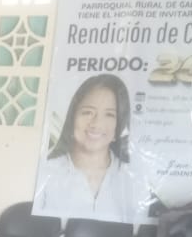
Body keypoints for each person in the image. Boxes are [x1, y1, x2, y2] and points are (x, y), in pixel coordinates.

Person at [35, 73, 143, 223]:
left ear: (119, 124)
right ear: (72, 117)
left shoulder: (133, 178)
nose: (96, 123)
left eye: (109, 115)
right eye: (87, 112)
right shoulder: (45, 172)